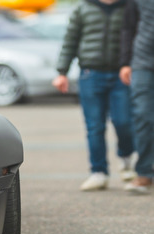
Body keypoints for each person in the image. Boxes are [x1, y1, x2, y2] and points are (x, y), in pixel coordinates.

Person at [53, 0, 136, 192]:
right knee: (94, 126)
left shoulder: (129, 7)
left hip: (121, 76)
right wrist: (62, 72)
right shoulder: (83, 8)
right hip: (90, 74)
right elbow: (70, 40)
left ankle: (126, 158)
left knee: (124, 122)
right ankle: (98, 172)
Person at [119, 0, 154, 193]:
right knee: (143, 116)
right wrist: (125, 62)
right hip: (142, 63)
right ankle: (144, 173)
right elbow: (128, 28)